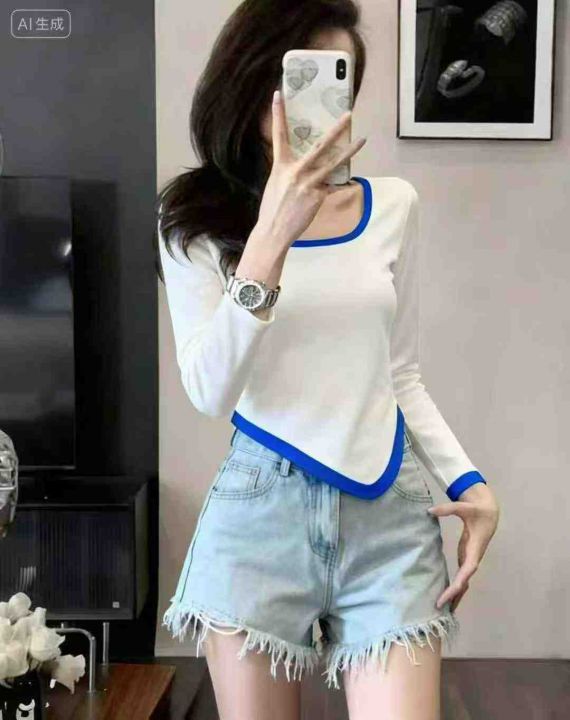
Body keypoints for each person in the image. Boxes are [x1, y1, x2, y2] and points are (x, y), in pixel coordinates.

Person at [157, 1, 500, 717]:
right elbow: (210, 390)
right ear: (251, 79)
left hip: (388, 518)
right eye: (297, 73)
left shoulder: (395, 206)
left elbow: (400, 374)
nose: (310, 99)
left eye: (335, 77)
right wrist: (273, 233)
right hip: (258, 516)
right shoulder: (192, 220)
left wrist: (468, 481)